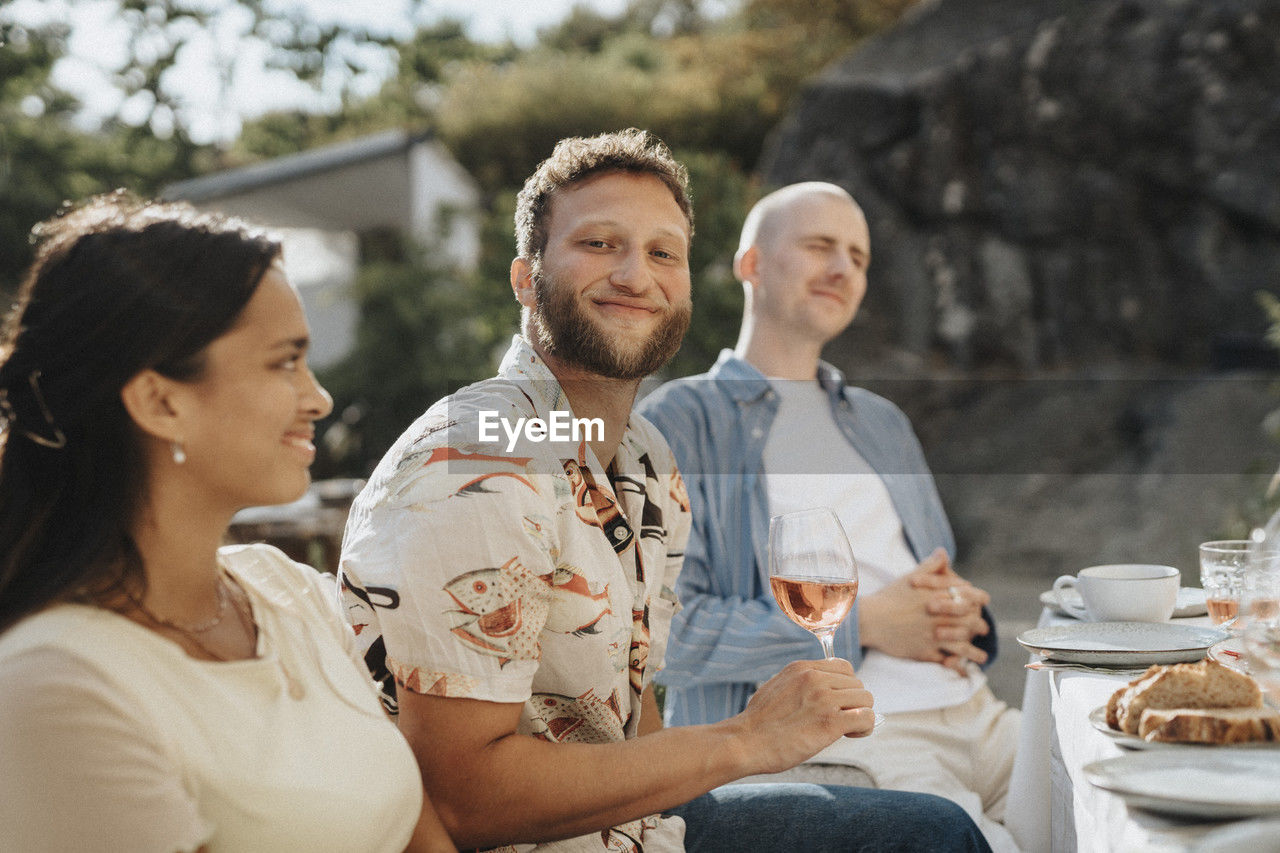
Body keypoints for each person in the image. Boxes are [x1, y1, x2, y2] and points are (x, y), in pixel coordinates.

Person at [339, 130, 992, 853]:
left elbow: (633, 708)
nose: (635, 275)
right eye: (598, 244)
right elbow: (463, 801)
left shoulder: (647, 460)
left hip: (646, 824)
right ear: (526, 279)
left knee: (940, 831)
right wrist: (745, 739)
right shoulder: (480, 456)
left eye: (662, 253)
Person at [0, 193, 456, 852]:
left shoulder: (287, 591)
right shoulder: (60, 689)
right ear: (160, 401)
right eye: (284, 361)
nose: (319, 397)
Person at [636, 182, 1021, 852]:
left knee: (1108, 797)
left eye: (859, 256)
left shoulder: (881, 420)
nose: (843, 268)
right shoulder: (680, 421)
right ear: (751, 264)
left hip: (976, 712)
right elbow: (667, 636)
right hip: (849, 732)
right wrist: (866, 624)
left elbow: (928, 574)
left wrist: (961, 614)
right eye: (820, 246)